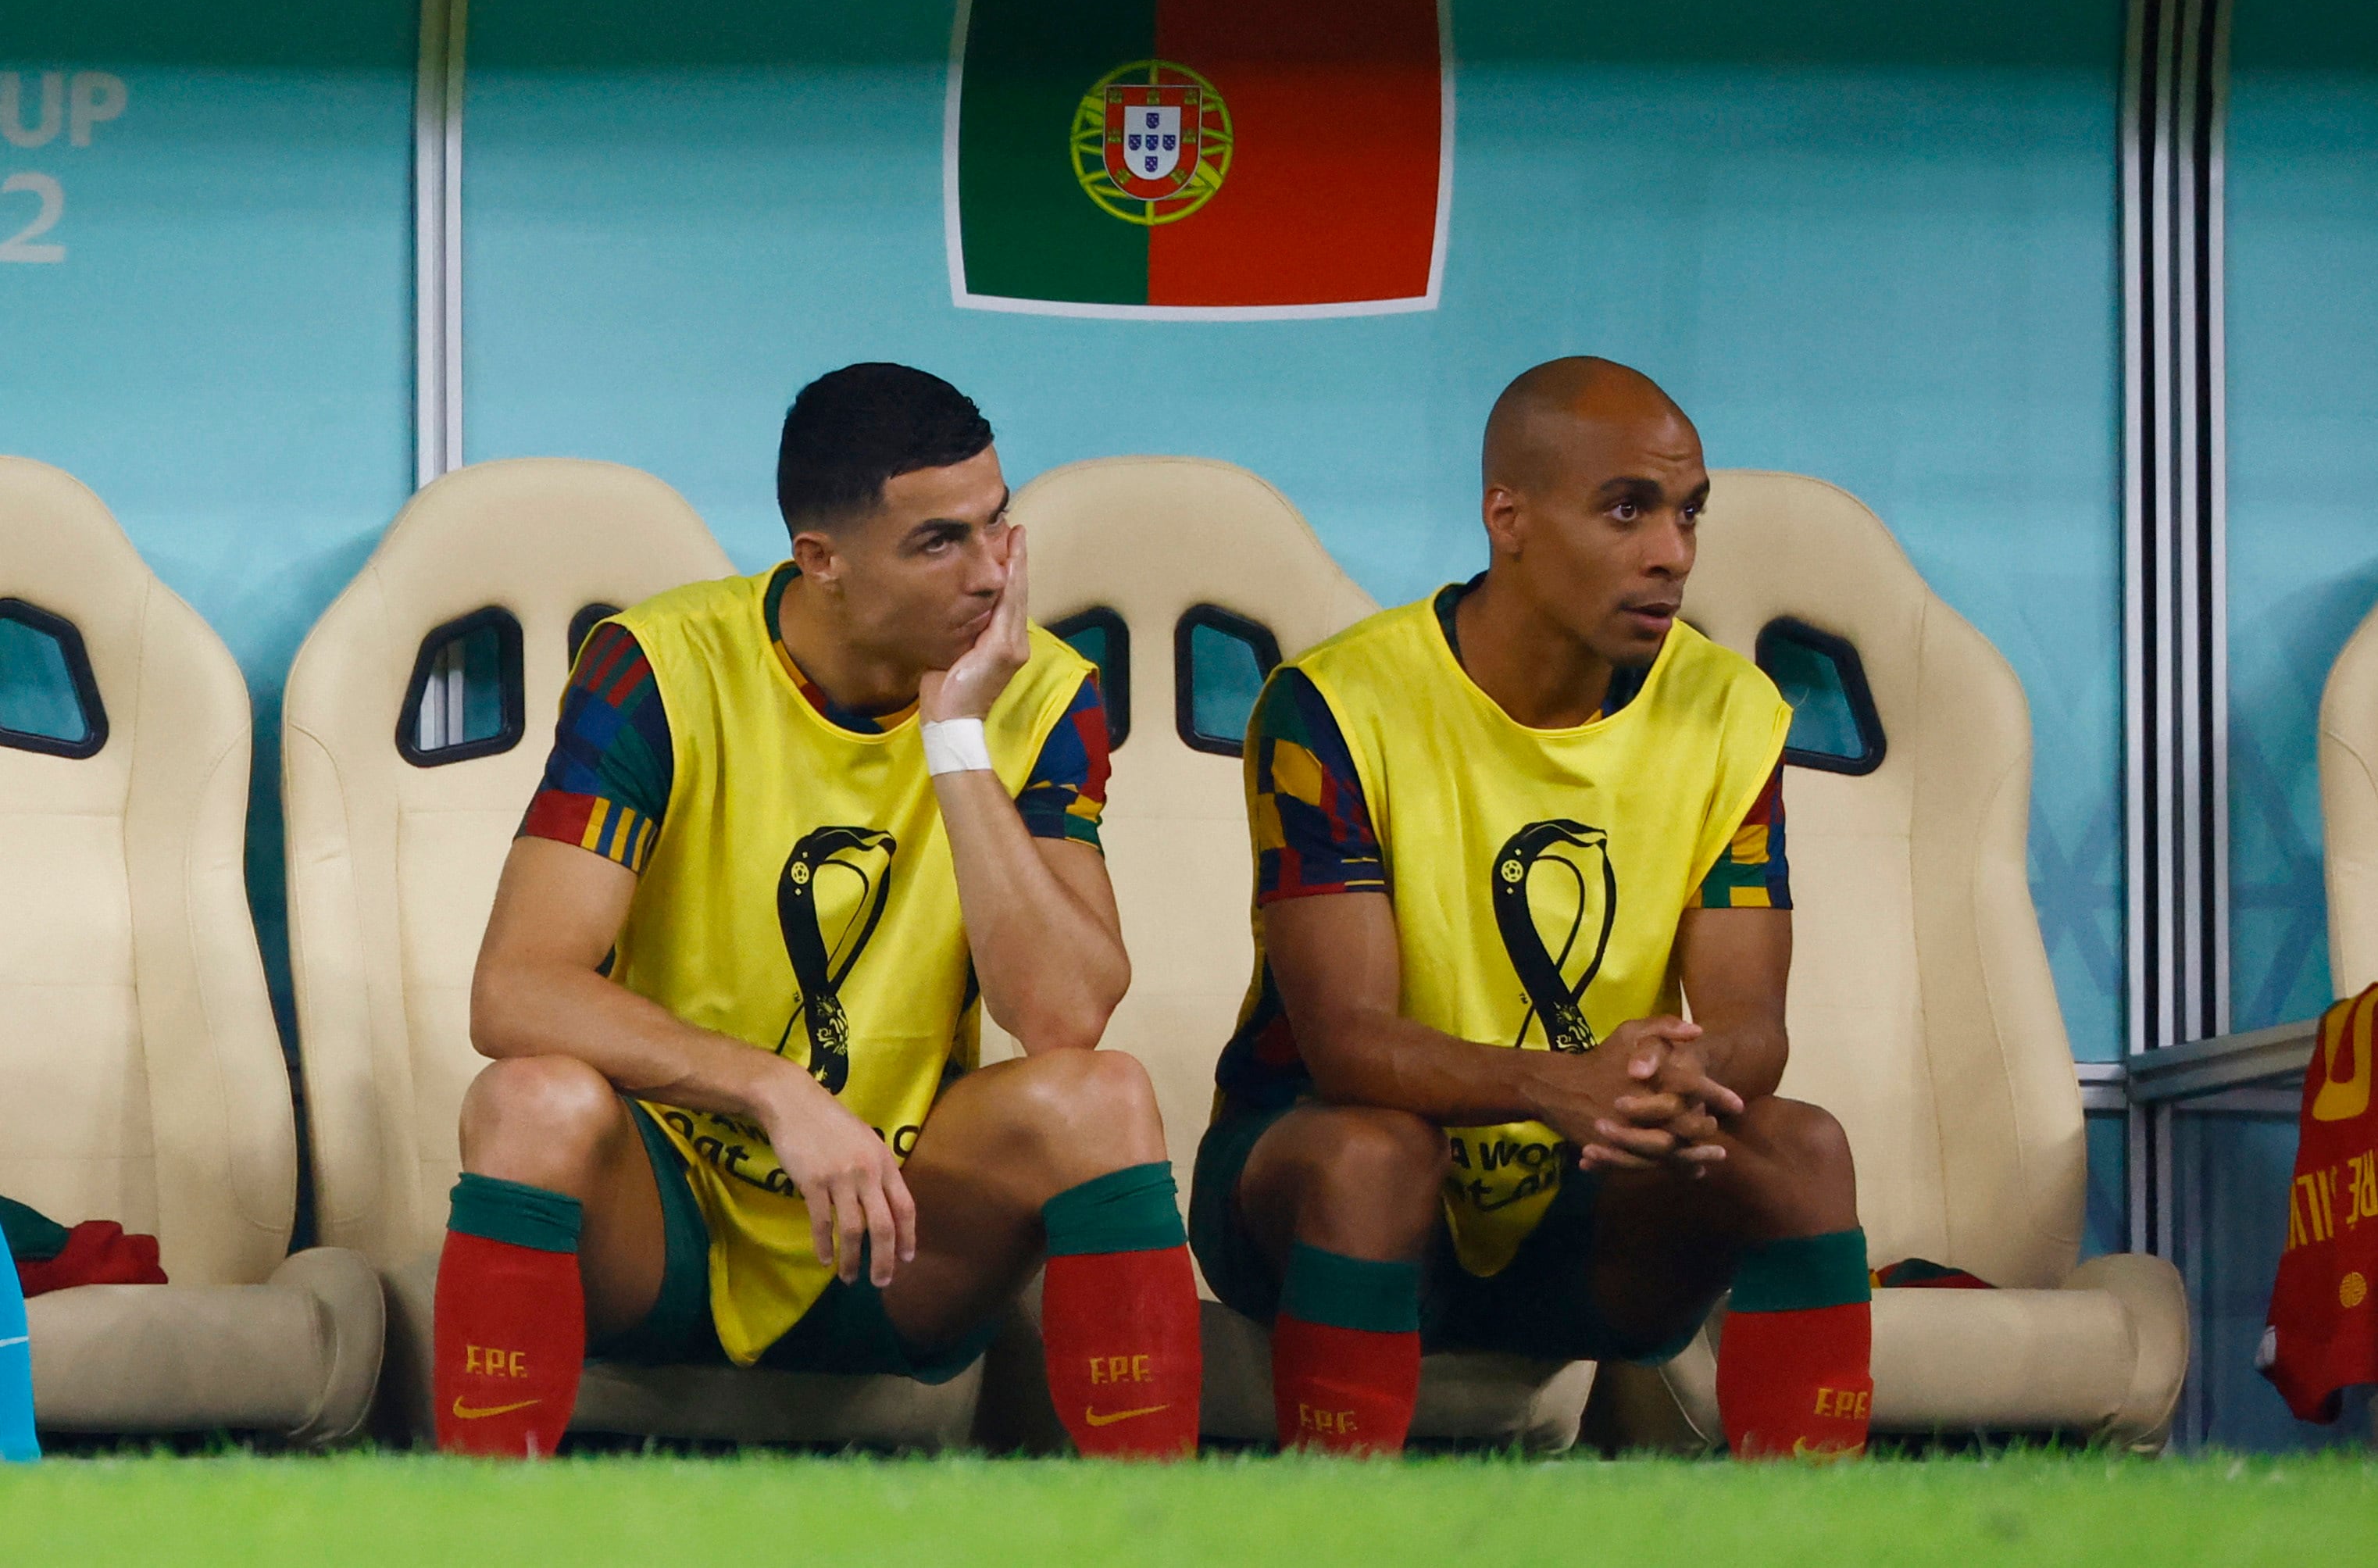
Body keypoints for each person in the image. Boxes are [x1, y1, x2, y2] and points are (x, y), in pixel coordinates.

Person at [434, 363, 1199, 1458]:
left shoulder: (1042, 690)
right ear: (821, 562)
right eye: (939, 542)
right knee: (530, 1100)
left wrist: (956, 740)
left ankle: (1161, 1532)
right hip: (671, 1215)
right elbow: (513, 990)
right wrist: (775, 1092)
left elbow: (1065, 1014)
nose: (990, 575)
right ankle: (471, 1529)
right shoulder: (658, 667)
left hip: (900, 1231)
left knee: (1102, 1095)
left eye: (998, 524)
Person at [1193, 357, 1870, 1459]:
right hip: (1328, 1186)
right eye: (1627, 509)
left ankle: (1824, 1531)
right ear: (1506, 515)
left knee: (1800, 1149)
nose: (1673, 553)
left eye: (1689, 513)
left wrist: (1665, 1076)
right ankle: (1325, 1526)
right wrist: (1556, 1083)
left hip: (1594, 1203)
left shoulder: (1731, 711)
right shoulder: (1330, 703)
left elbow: (1755, 1027)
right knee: (1376, 1156)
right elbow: (1345, 1040)